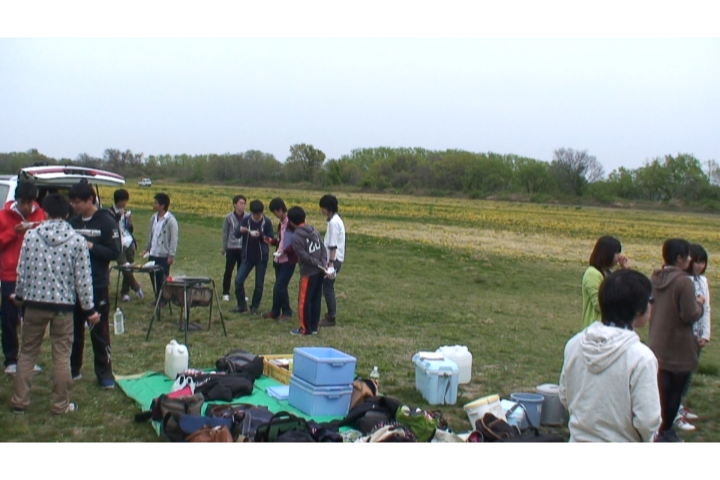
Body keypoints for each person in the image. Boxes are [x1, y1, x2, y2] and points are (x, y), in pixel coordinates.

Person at [11, 193, 98, 414]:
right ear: (67, 213)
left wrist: (19, 297)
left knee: (27, 353)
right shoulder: (77, 241)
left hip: (34, 304)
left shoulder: (31, 236)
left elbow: (22, 271)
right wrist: (89, 309)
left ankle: (19, 401)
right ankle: (60, 404)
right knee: (61, 355)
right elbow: (83, 279)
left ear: (45, 212)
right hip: (63, 307)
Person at [559, 269, 660, 442]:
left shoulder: (574, 344)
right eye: (650, 300)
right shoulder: (641, 358)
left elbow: (564, 396)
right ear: (638, 310)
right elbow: (647, 420)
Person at [648, 238, 704, 443]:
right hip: (679, 346)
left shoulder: (656, 278)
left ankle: (656, 430)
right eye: (687, 256)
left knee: (661, 392)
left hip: (657, 343)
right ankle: (666, 431)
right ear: (679, 258)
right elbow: (689, 314)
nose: (690, 260)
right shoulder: (683, 282)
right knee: (674, 394)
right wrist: (700, 304)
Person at [68, 182, 121, 388]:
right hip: (73, 284)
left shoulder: (106, 221)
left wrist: (90, 246)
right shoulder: (72, 222)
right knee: (73, 331)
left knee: (99, 330)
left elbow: (115, 252)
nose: (74, 206)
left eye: (77, 202)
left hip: (97, 284)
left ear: (90, 200)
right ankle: (73, 369)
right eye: (72, 202)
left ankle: (104, 373)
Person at [0, 182, 45, 375]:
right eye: (23, 202)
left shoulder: (40, 215)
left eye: (29, 202)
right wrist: (13, 232)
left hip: (34, 274)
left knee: (31, 319)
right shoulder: (3, 216)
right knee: (9, 318)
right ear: (16, 200)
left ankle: (28, 358)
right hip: (10, 273)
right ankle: (11, 359)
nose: (26, 207)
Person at [674, 243, 712, 431]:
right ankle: (674, 411)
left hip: (697, 335)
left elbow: (707, 309)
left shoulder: (703, 281)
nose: (699, 266)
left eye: (703, 262)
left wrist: (705, 333)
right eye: (696, 262)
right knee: (679, 375)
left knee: (688, 374)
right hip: (684, 335)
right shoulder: (682, 281)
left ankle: (680, 405)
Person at [287, 206, 328, 336]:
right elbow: (323, 248)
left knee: (304, 301)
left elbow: (303, 255)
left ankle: (305, 328)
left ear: (291, 221)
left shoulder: (295, 237)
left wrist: (317, 263)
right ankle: (314, 327)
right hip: (320, 271)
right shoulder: (313, 230)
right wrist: (323, 263)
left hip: (308, 272)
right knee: (316, 299)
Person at [232, 199, 273, 314]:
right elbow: (236, 235)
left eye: (258, 214)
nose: (256, 216)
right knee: (238, 281)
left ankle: (255, 306)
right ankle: (241, 305)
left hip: (261, 257)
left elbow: (270, 239)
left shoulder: (267, 222)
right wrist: (241, 230)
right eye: (254, 214)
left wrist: (260, 236)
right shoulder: (246, 220)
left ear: (262, 212)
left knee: (259, 284)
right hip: (248, 257)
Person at [581, 235, 629, 330]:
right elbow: (599, 305)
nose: (619, 256)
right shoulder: (592, 274)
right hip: (595, 329)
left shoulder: (609, 273)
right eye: (617, 253)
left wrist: (626, 271)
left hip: (609, 328)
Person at [262, 198, 297, 321]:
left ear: (281, 210)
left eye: (276, 212)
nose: (275, 215)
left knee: (279, 287)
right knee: (281, 286)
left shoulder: (291, 223)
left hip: (288, 260)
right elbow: (281, 241)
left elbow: (294, 243)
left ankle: (276, 311)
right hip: (278, 259)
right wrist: (272, 241)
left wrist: (284, 251)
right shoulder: (281, 224)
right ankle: (286, 310)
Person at [142, 192, 179, 302]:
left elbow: (174, 239)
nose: (154, 205)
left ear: (162, 206)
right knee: (153, 277)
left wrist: (171, 255)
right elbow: (151, 235)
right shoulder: (153, 218)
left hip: (163, 255)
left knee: (162, 278)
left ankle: (164, 299)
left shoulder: (170, 220)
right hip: (153, 253)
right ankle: (158, 298)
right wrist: (147, 249)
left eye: (156, 203)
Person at [110, 188, 144, 302]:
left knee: (130, 268)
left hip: (129, 242)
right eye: (124, 200)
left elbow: (130, 229)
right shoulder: (110, 212)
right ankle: (136, 287)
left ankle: (125, 292)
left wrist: (129, 222)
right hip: (117, 244)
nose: (125, 203)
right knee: (125, 267)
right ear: (119, 200)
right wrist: (118, 216)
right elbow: (110, 226)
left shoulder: (125, 212)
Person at [319, 194, 345, 328]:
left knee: (328, 287)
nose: (321, 210)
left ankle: (331, 317)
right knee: (327, 287)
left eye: (323, 208)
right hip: (333, 259)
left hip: (333, 260)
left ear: (328, 208)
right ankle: (330, 315)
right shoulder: (334, 220)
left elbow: (333, 245)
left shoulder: (334, 223)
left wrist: (330, 264)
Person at [221, 195, 248, 302]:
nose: (243, 205)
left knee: (241, 273)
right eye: (240, 203)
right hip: (231, 248)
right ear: (235, 205)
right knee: (228, 271)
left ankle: (241, 293)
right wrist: (224, 247)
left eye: (244, 203)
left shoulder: (248, 217)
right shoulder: (229, 217)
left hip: (243, 248)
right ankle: (225, 292)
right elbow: (225, 233)